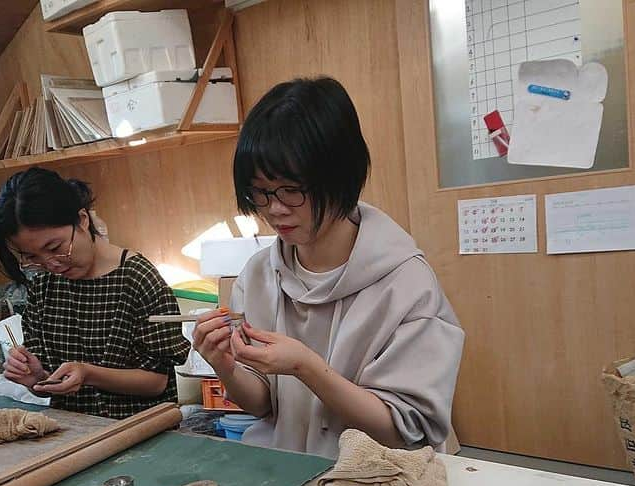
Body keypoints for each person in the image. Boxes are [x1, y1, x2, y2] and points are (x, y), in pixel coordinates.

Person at [193, 77, 464, 458]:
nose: (274, 208)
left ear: (340, 176)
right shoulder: (258, 275)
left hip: (376, 481)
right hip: (288, 473)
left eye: (291, 189)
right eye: (260, 192)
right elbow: (262, 405)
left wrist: (307, 367)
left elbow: (404, 430)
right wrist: (225, 366)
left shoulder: (405, 283)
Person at [0, 168, 189, 418]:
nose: (51, 264)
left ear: (82, 219)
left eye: (55, 247)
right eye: (31, 257)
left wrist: (88, 374)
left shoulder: (137, 278)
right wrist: (35, 378)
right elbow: (50, 385)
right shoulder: (43, 284)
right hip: (74, 432)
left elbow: (156, 382)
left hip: (141, 431)